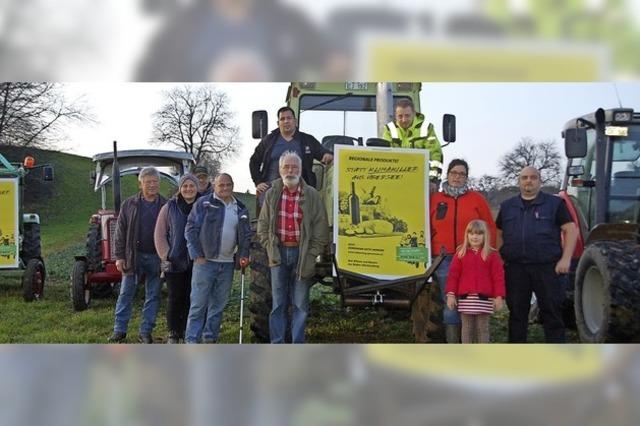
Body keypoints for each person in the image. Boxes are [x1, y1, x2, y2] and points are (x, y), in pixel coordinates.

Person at [496, 166, 578, 343]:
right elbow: (499, 234)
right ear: (519, 181)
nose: (528, 181)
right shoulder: (507, 207)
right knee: (517, 315)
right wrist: (500, 259)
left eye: (533, 177)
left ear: (540, 181)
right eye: (524, 177)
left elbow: (571, 230)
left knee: (552, 313)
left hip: (547, 268)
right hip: (516, 269)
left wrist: (565, 259)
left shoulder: (555, 204)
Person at [257, 151, 329, 343]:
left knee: (300, 305)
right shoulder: (272, 193)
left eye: (294, 166)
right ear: (280, 170)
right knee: (278, 304)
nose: (290, 170)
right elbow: (263, 226)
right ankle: (277, 345)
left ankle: (297, 345)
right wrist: (270, 248)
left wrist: (311, 255)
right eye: (286, 167)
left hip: (302, 254)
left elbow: (321, 230)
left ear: (301, 169)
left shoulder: (312, 195)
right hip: (278, 254)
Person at [430, 159, 496, 343]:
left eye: (462, 174)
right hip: (443, 259)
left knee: (471, 302)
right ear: (447, 175)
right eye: (454, 173)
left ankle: (473, 340)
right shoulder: (435, 199)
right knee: (449, 300)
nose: (457, 177)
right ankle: (453, 343)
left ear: (466, 177)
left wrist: (490, 254)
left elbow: (489, 226)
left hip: (472, 258)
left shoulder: (476, 199)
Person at [184, 173, 251, 343]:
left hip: (227, 264)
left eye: (228, 185)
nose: (225, 188)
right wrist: (197, 254)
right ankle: (192, 340)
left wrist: (243, 255)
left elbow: (246, 236)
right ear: (214, 186)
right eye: (221, 185)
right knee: (198, 305)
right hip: (205, 263)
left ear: (233, 185)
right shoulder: (204, 203)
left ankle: (210, 338)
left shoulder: (241, 208)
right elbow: (190, 229)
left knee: (218, 306)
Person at [109, 167, 167, 344]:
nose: (151, 185)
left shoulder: (166, 205)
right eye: (148, 182)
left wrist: (166, 257)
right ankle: (119, 330)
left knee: (153, 295)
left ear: (159, 183)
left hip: (156, 257)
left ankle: (145, 331)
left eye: (155, 181)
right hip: (133, 256)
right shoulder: (129, 204)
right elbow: (120, 232)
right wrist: (120, 256)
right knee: (126, 293)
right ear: (140, 183)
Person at [154, 173, 201, 343]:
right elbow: (159, 234)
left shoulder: (204, 205)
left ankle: (188, 331)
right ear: (180, 188)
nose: (188, 189)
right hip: (174, 261)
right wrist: (166, 254)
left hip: (198, 261)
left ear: (197, 188)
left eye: (192, 185)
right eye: (185, 186)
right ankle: (173, 332)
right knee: (175, 297)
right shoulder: (169, 207)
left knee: (192, 297)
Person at [249, 106, 333, 201]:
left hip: (300, 198)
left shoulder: (307, 140)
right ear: (278, 123)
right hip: (271, 197)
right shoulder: (268, 141)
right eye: (282, 119)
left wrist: (327, 154)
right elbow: (254, 161)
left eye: (289, 118)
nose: (286, 121)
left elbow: (322, 153)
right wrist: (258, 182)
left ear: (295, 121)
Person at [445, 220, 505, 344]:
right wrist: (450, 294)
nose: (475, 236)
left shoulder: (492, 254)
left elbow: (498, 277)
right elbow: (453, 276)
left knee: (482, 328)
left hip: (484, 299)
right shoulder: (460, 253)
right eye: (471, 233)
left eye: (479, 234)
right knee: (466, 328)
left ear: (485, 236)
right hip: (466, 298)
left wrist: (499, 296)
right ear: (467, 235)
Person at [382, 98, 443, 192]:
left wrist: (432, 180)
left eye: (407, 115)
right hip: (396, 182)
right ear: (395, 116)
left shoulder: (426, 128)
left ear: (414, 114)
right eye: (400, 116)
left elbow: (435, 156)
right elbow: (385, 156)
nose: (404, 119)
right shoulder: (389, 130)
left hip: (423, 182)